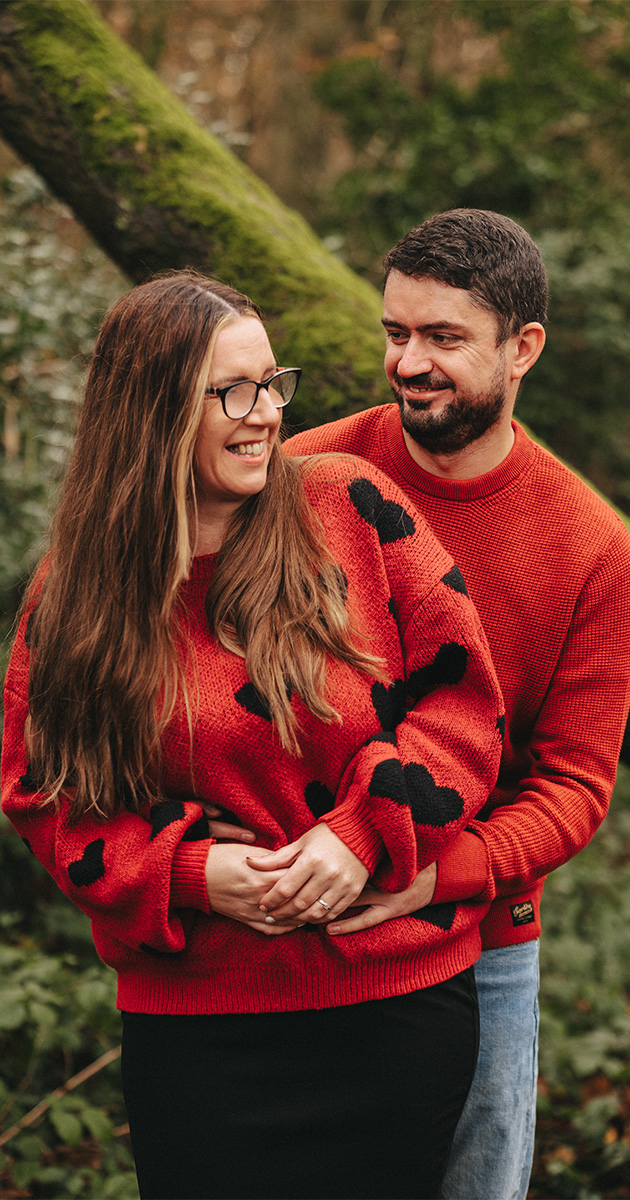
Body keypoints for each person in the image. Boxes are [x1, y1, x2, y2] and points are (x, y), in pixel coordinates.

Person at [1, 271, 504, 1200]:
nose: (265, 413)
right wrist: (189, 873)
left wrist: (363, 835)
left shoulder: (350, 510)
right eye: (232, 391)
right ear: (150, 411)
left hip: (391, 1010)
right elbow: (46, 801)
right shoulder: (76, 594)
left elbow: (466, 710)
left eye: (274, 383)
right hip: (201, 1028)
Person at [284, 209, 630, 1200]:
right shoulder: (302, 478)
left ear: (523, 349)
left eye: (444, 339)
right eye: (397, 334)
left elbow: (571, 789)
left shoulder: (592, 548)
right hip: (297, 920)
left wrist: (432, 877)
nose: (410, 363)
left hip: (478, 943)